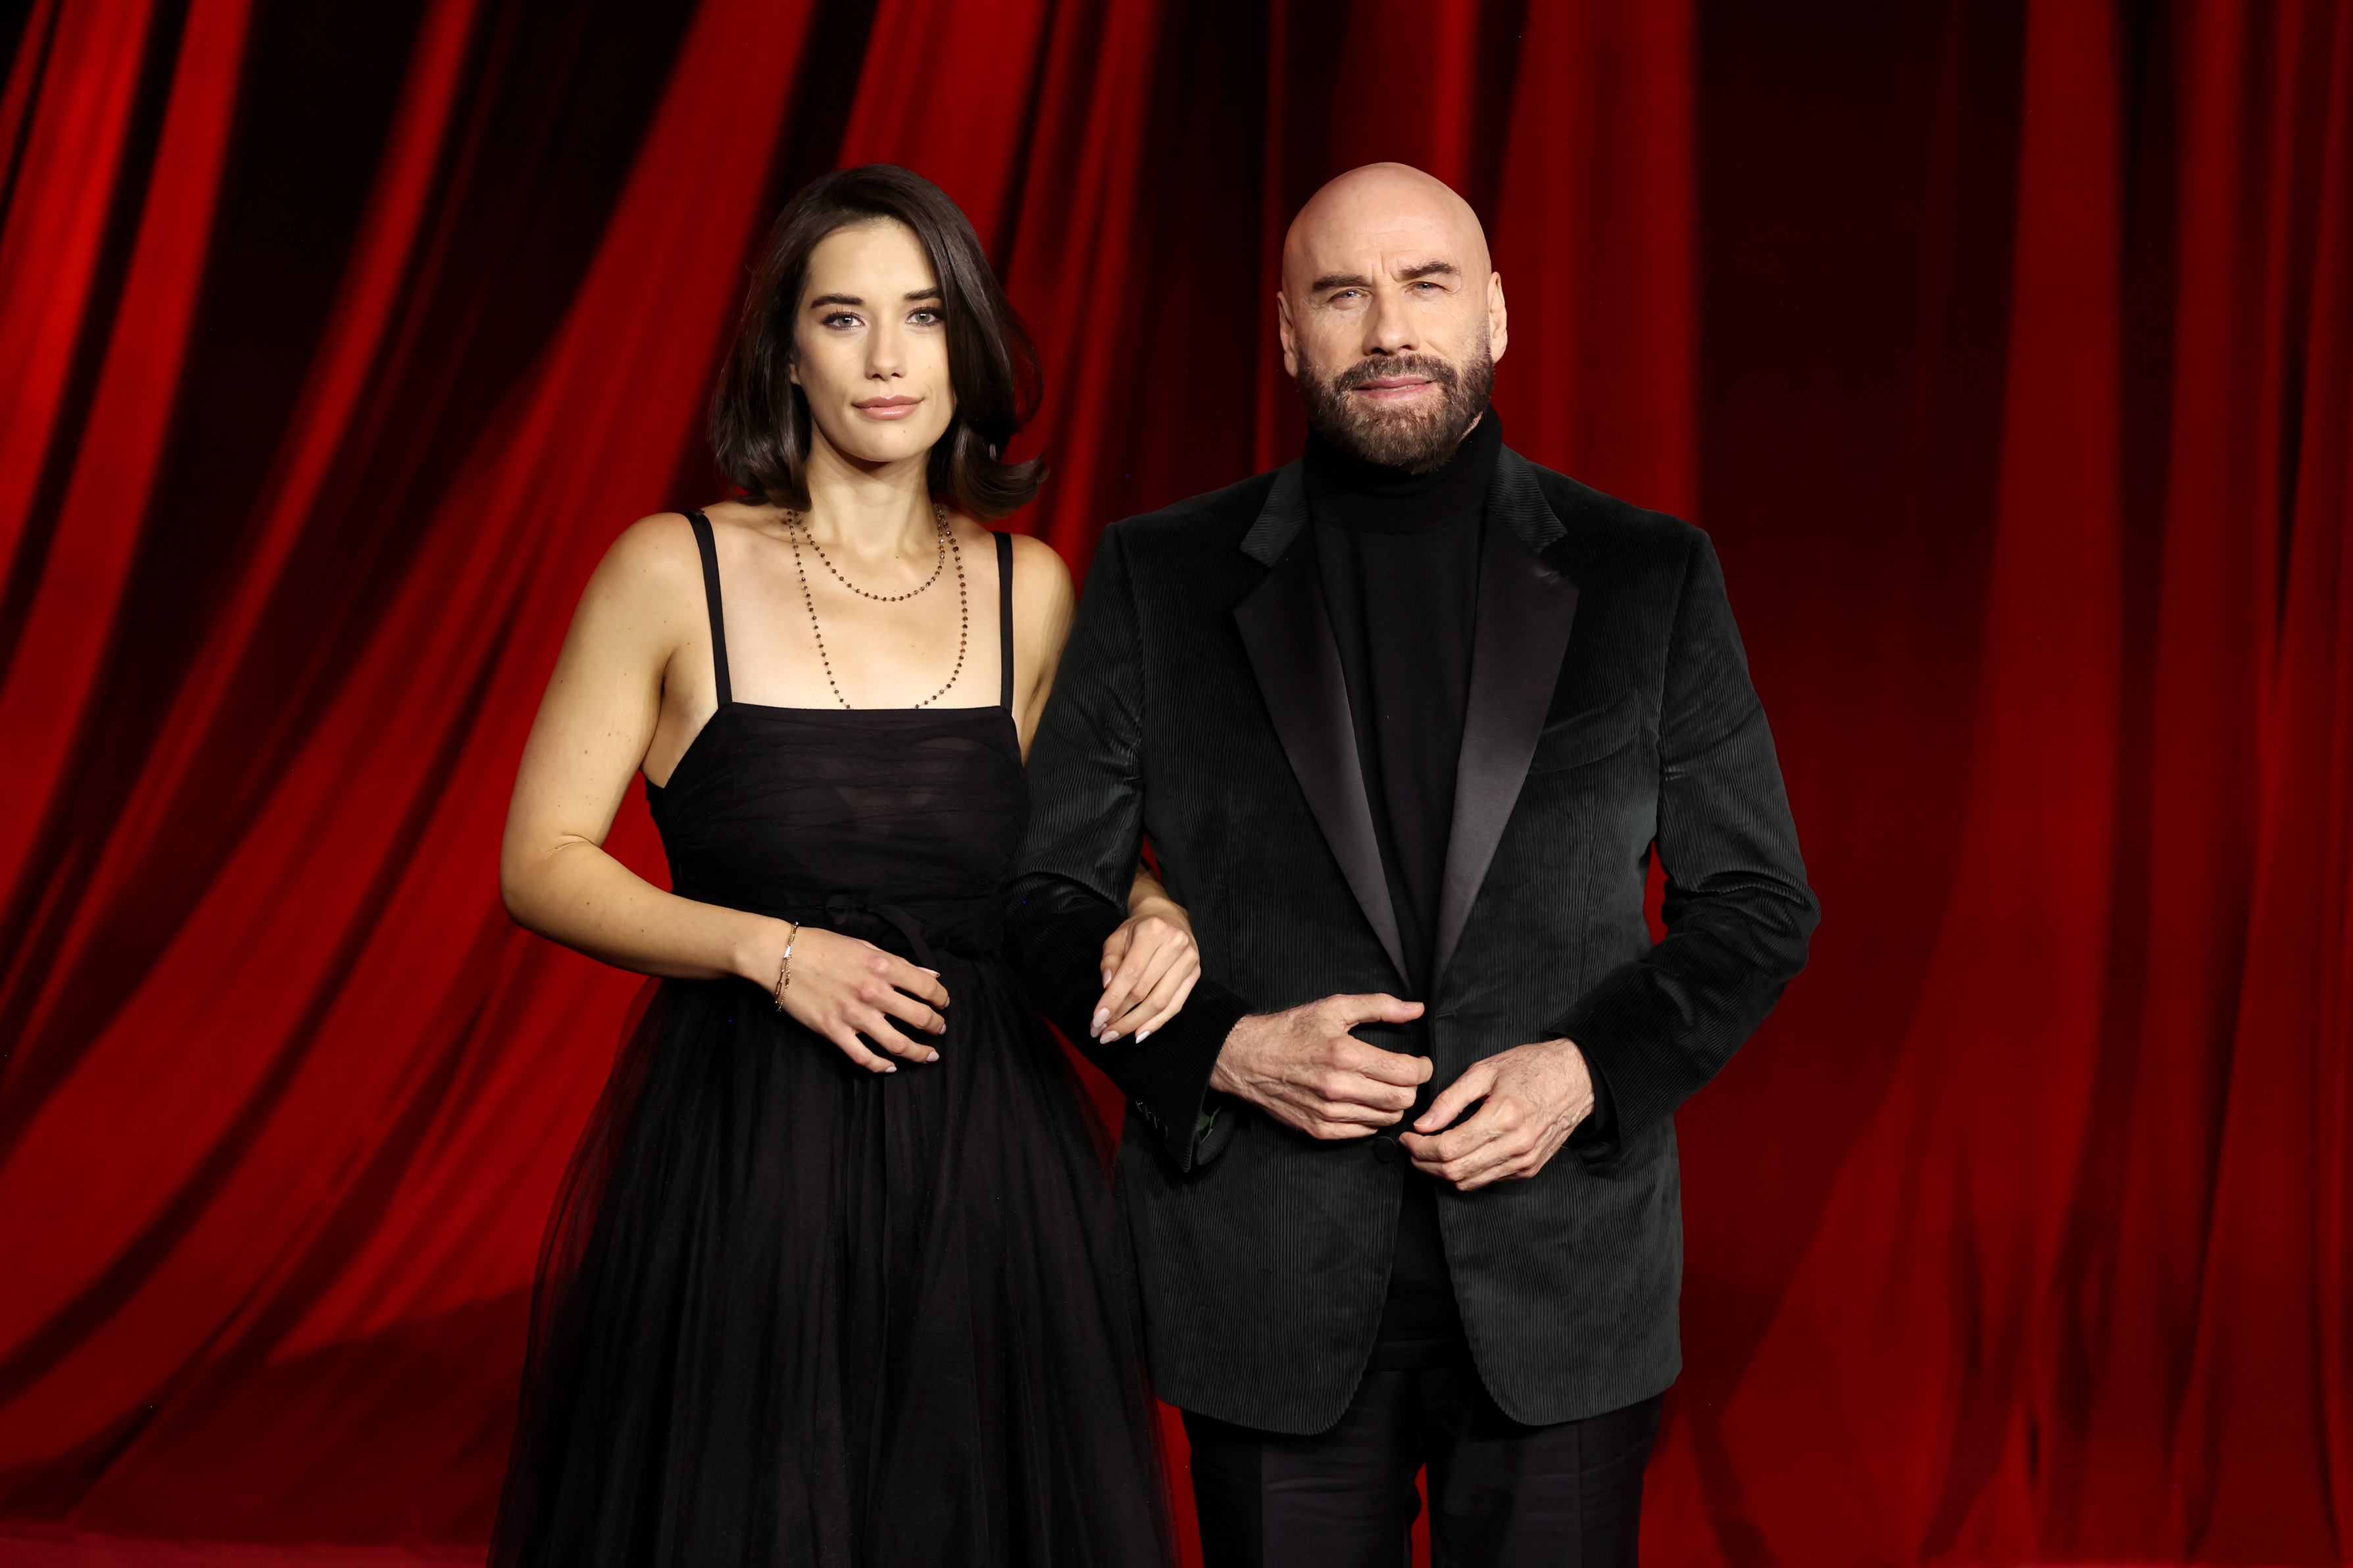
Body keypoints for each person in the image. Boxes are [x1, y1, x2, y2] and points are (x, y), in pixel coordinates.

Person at [1008, 162, 1820, 1566]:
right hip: (1260, 1287)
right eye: (1341, 290)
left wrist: (1586, 1072)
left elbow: (1754, 903)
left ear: (1496, 314)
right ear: (1286, 332)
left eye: (1425, 282)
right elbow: (1041, 902)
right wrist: (1223, 1052)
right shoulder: (1159, 576)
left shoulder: (1649, 575)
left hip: (1563, 1280)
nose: (1386, 324)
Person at [491, 164, 1194, 1568]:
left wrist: (1158, 910)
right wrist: (771, 949)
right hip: (749, 1145)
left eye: (924, 316)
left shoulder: (1032, 587)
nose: (887, 359)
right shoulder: (667, 569)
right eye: (843, 318)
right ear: (785, 354)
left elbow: (1086, 861)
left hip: (991, 1150)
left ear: (967, 346)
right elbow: (540, 861)